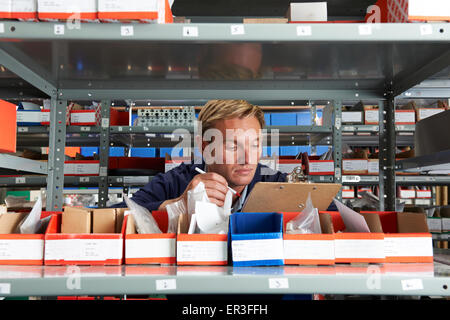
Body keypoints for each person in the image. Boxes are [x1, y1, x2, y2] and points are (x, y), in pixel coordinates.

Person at [112, 99, 286, 212]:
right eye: (233, 146)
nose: (247, 159)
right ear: (205, 147)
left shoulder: (276, 185)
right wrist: (179, 206)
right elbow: (112, 216)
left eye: (255, 145)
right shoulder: (175, 182)